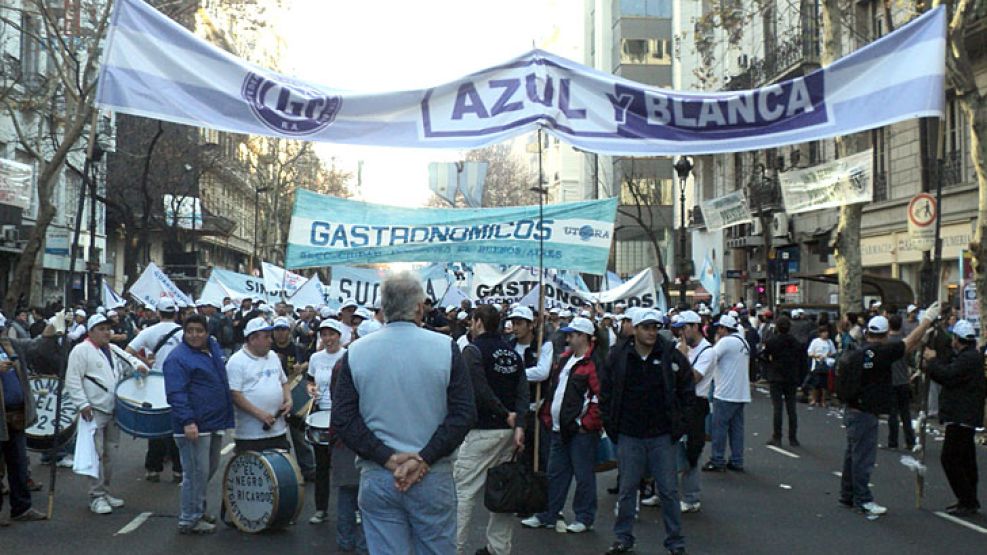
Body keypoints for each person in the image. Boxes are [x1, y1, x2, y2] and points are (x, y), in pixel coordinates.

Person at [332, 272, 476, 554]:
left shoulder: (356, 352)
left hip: (379, 473)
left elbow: (343, 419)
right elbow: (463, 414)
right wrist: (424, 458)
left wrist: (387, 458)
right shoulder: (446, 348)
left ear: (383, 309)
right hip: (432, 473)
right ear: (420, 307)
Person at [600, 309, 693, 555]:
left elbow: (687, 391)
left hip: (662, 435)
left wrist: (679, 425)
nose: (652, 332)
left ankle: (675, 541)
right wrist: (613, 427)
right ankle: (623, 538)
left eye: (655, 327)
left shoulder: (669, 355)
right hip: (629, 434)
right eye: (646, 327)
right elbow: (606, 393)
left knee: (669, 491)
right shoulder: (618, 356)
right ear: (635, 329)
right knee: (628, 490)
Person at [839, 305, 938, 515]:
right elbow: (908, 343)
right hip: (866, 412)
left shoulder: (860, 352)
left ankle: (848, 495)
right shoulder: (883, 352)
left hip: (852, 409)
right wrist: (926, 322)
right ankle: (863, 499)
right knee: (863, 458)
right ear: (884, 335)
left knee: (852, 456)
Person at [453, 305, 527, 555]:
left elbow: (479, 388)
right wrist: (519, 424)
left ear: (480, 322)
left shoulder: (472, 351)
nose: (469, 326)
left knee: (463, 493)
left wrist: (504, 413)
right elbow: (522, 392)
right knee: (502, 493)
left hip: (481, 431)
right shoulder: (512, 354)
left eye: (471, 321)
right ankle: (498, 549)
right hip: (508, 434)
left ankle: (454, 548)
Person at [522, 317, 602, 534]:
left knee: (583, 474)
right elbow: (555, 390)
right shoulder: (567, 359)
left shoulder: (592, 363)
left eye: (573, 334)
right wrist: (548, 415)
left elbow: (599, 396)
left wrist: (585, 423)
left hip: (579, 431)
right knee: (555, 473)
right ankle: (548, 513)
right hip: (559, 427)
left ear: (584, 337)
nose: (568, 338)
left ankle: (584, 517)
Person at [65, 314, 149, 514]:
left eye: (108, 328)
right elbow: (73, 380)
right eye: (101, 328)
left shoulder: (113, 349)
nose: (106, 332)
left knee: (110, 453)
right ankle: (96, 495)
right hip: (93, 410)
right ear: (91, 331)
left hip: (113, 410)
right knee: (95, 454)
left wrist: (139, 366)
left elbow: (130, 361)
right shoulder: (81, 350)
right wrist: (82, 403)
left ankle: (105, 490)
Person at [163, 314, 235, 535]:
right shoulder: (177, 358)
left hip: (213, 423)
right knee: (195, 473)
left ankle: (198, 509)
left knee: (207, 470)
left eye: (199, 330)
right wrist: (188, 421)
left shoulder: (212, 348)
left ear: (207, 332)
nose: (194, 335)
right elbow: (176, 393)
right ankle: (189, 519)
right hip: (194, 426)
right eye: (190, 331)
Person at [923, 319, 987, 516]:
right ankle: (968, 499)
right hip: (964, 414)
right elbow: (948, 363)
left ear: (957, 339)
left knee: (950, 458)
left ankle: (966, 498)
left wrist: (932, 362)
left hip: (961, 415)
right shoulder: (969, 357)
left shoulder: (968, 360)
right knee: (966, 459)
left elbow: (947, 375)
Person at [126, 298, 184, 483]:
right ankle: (178, 469)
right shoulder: (184, 333)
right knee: (177, 426)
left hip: (156, 382)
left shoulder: (149, 331)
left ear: (158, 313)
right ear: (174, 313)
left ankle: (153, 468)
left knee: (157, 425)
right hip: (180, 383)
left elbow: (128, 351)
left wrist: (144, 363)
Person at [0, 332, 47, 523]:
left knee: (19, 464)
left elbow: (35, 347)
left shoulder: (9, 344)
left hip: (15, 415)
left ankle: (21, 508)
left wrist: (50, 333)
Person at [227, 317, 292, 452]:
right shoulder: (236, 361)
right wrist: (260, 414)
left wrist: (288, 400)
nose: (271, 340)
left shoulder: (273, 356)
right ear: (252, 339)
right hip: (250, 435)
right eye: (267, 337)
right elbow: (235, 394)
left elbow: (284, 382)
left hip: (278, 430)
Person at [305, 318, 347, 525]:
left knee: (345, 465)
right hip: (320, 415)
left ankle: (351, 509)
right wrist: (311, 389)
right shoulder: (315, 358)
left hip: (343, 417)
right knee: (322, 465)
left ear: (339, 335)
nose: (328, 339)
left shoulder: (348, 355)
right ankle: (321, 509)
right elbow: (310, 380)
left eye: (332, 334)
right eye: (324, 334)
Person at [672, 310, 715, 514]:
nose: (682, 333)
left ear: (696, 327)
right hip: (679, 402)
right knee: (670, 447)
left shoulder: (707, 351)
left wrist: (682, 358)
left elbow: (693, 378)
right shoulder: (684, 347)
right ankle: (666, 491)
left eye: (685, 328)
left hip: (696, 404)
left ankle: (691, 497)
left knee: (692, 451)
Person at [703, 314, 751, 472]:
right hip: (741, 392)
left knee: (719, 427)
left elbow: (710, 357)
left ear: (724, 329)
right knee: (736, 428)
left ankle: (717, 459)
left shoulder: (726, 342)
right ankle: (737, 460)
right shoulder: (743, 342)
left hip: (725, 392)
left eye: (719, 328)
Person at [508, 305, 553, 473]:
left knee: (540, 457)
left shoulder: (543, 345)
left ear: (530, 325)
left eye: (519, 323)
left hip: (537, 409)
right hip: (514, 410)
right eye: (513, 323)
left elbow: (542, 372)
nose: (515, 328)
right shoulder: (509, 345)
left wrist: (515, 374)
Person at [271, 316, 315, 481]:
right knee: (278, 437)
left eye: (283, 329)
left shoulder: (298, 348)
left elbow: (310, 362)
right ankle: (283, 470)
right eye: (277, 330)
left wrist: (301, 367)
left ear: (289, 332)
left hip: (294, 395)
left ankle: (309, 469)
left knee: (299, 436)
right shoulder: (268, 349)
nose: (280, 333)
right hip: (275, 397)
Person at [760, 317, 802, 447]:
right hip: (791, 376)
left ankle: (777, 436)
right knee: (791, 408)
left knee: (777, 408)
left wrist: (770, 363)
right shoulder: (795, 342)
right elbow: (801, 358)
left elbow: (764, 356)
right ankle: (793, 437)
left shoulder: (772, 341)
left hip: (776, 376)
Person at [886, 315, 916, 450]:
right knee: (905, 413)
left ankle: (893, 442)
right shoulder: (904, 343)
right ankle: (910, 441)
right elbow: (911, 361)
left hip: (890, 381)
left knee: (892, 414)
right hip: (904, 380)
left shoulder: (885, 343)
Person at [807, 324, 837, 408]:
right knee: (815, 383)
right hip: (816, 364)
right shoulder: (815, 341)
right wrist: (816, 356)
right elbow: (809, 352)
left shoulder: (830, 342)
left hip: (826, 364)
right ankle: (814, 399)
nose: (825, 334)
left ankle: (823, 400)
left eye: (826, 332)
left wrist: (828, 355)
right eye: (823, 332)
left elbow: (834, 353)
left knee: (824, 384)